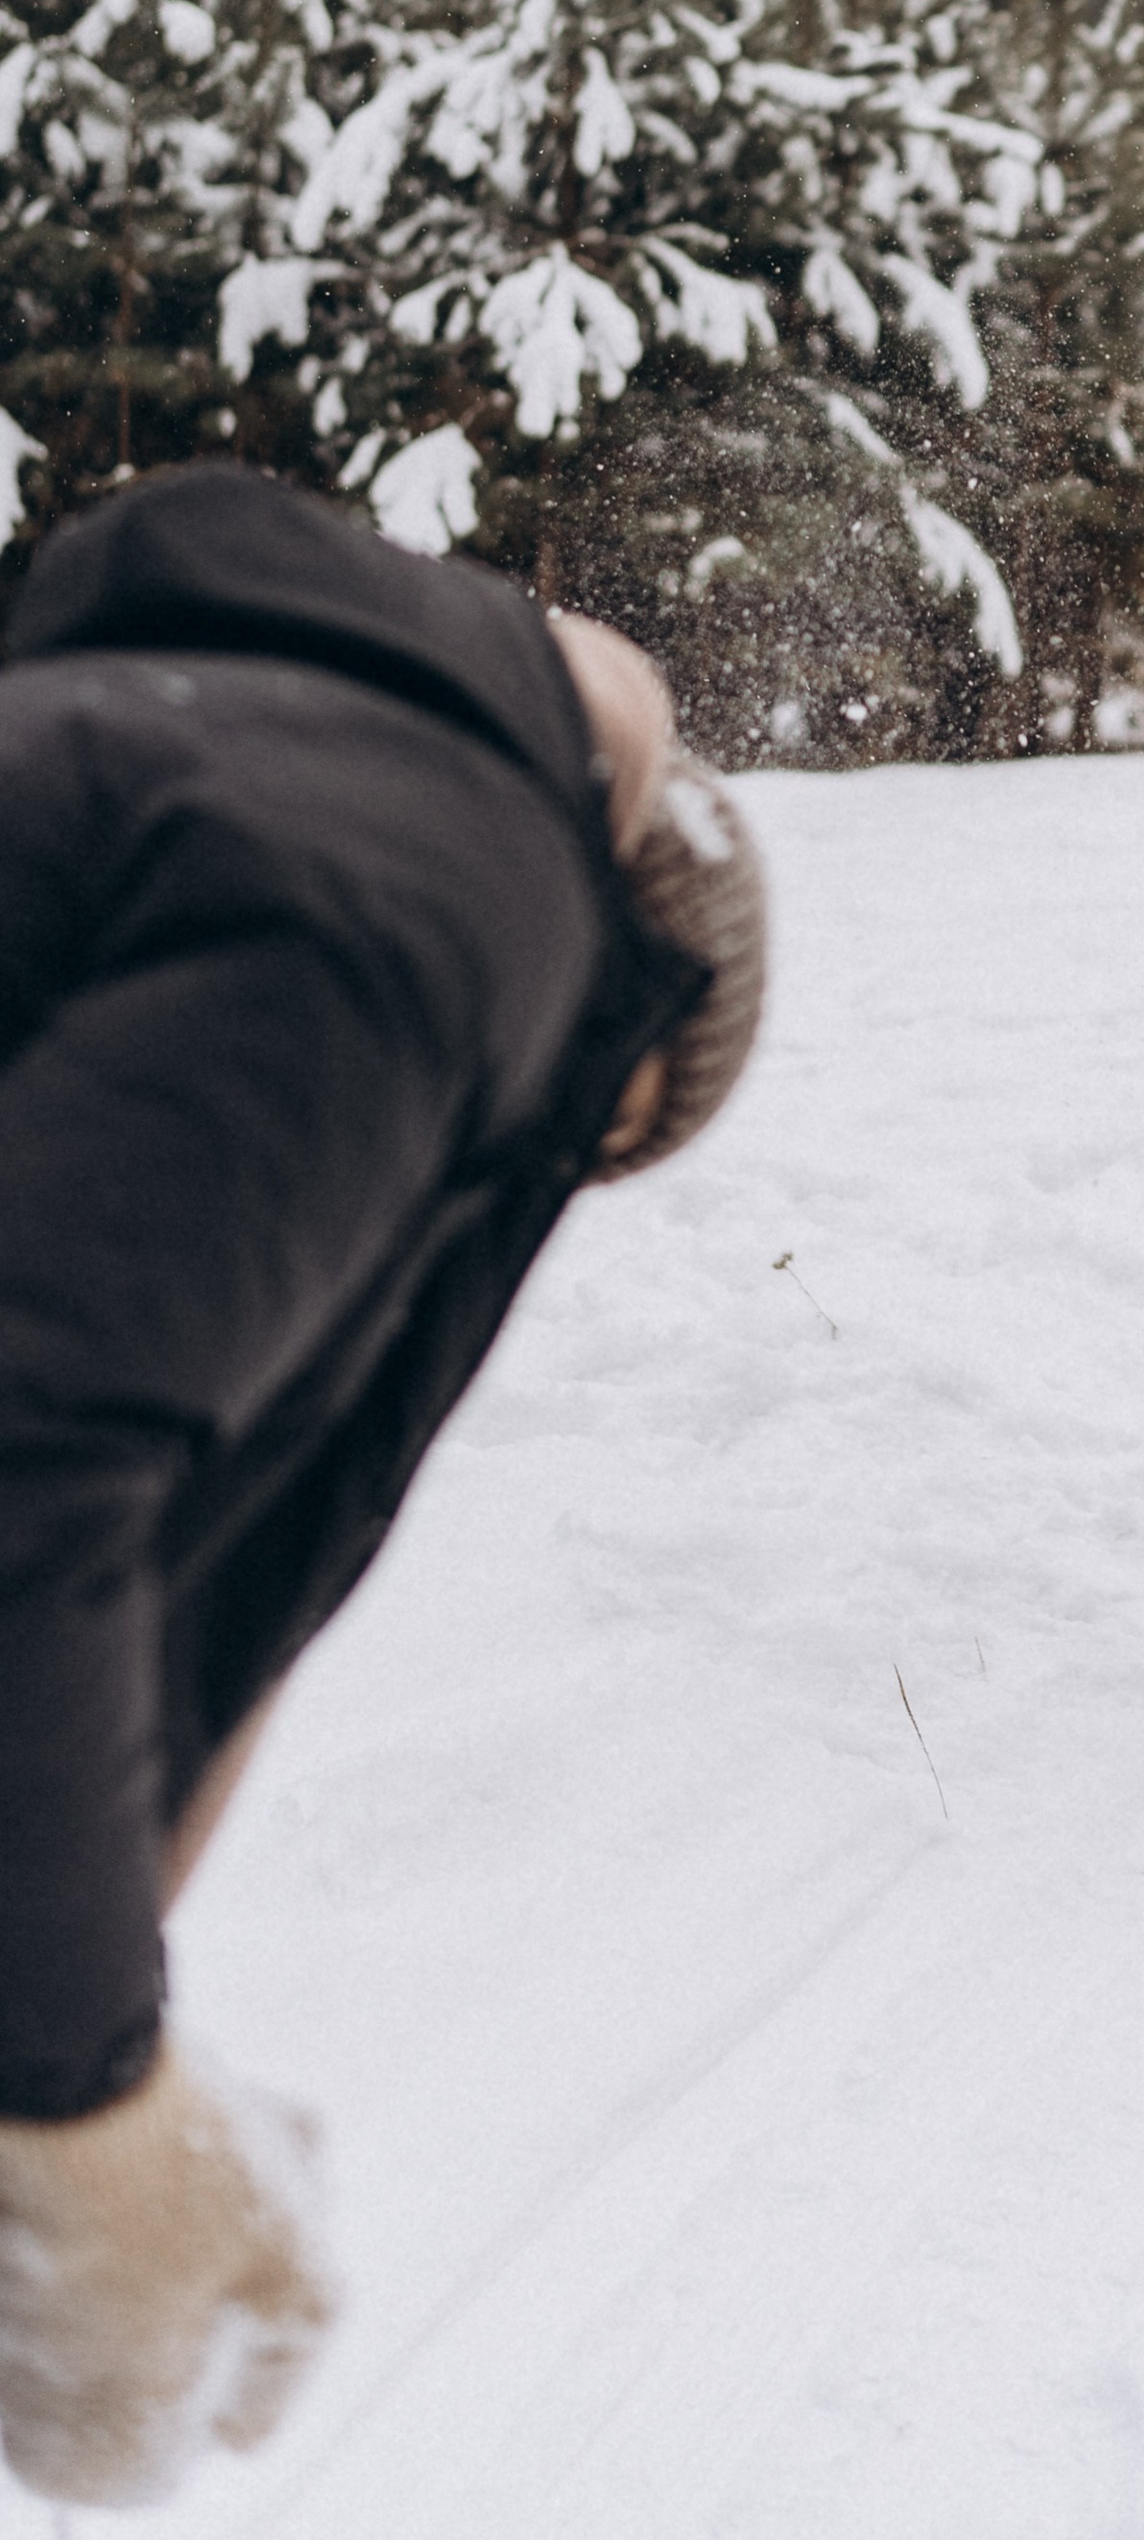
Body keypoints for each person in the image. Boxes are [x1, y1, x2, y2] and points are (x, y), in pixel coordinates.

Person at [0, 464, 767, 2508]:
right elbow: (29, 1467)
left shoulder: (145, 757)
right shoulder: (427, 896)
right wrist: (83, 2104)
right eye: (592, 1144)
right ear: (632, 999)